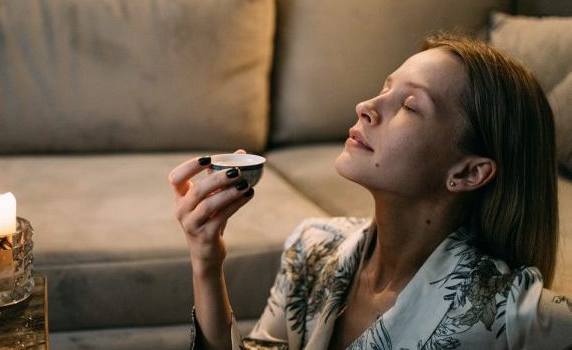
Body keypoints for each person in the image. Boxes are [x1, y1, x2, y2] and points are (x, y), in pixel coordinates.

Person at [168, 33, 572, 349]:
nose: (366, 105)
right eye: (384, 88)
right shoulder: (312, 248)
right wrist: (206, 262)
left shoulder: (504, 311)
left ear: (468, 172)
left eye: (411, 105)